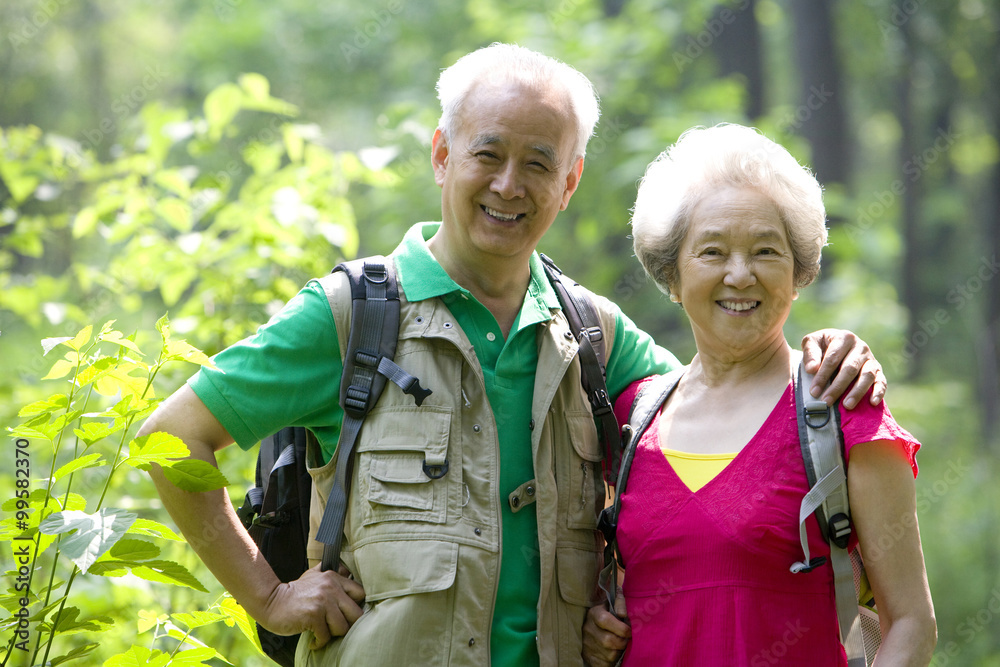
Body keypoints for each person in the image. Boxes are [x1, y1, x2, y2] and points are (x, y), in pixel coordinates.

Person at [138, 46, 887, 667]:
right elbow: (171, 439)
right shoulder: (349, 318)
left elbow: (723, 413)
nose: (508, 184)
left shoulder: (594, 333)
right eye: (486, 153)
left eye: (538, 162)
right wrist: (269, 595)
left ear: (571, 180)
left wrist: (825, 359)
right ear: (441, 154)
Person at [581, 124, 936, 666]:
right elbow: (619, 589)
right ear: (671, 277)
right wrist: (595, 619)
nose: (740, 275)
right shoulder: (632, 422)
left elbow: (911, 623)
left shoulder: (843, 407)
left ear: (799, 273)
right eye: (713, 251)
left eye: (766, 251)